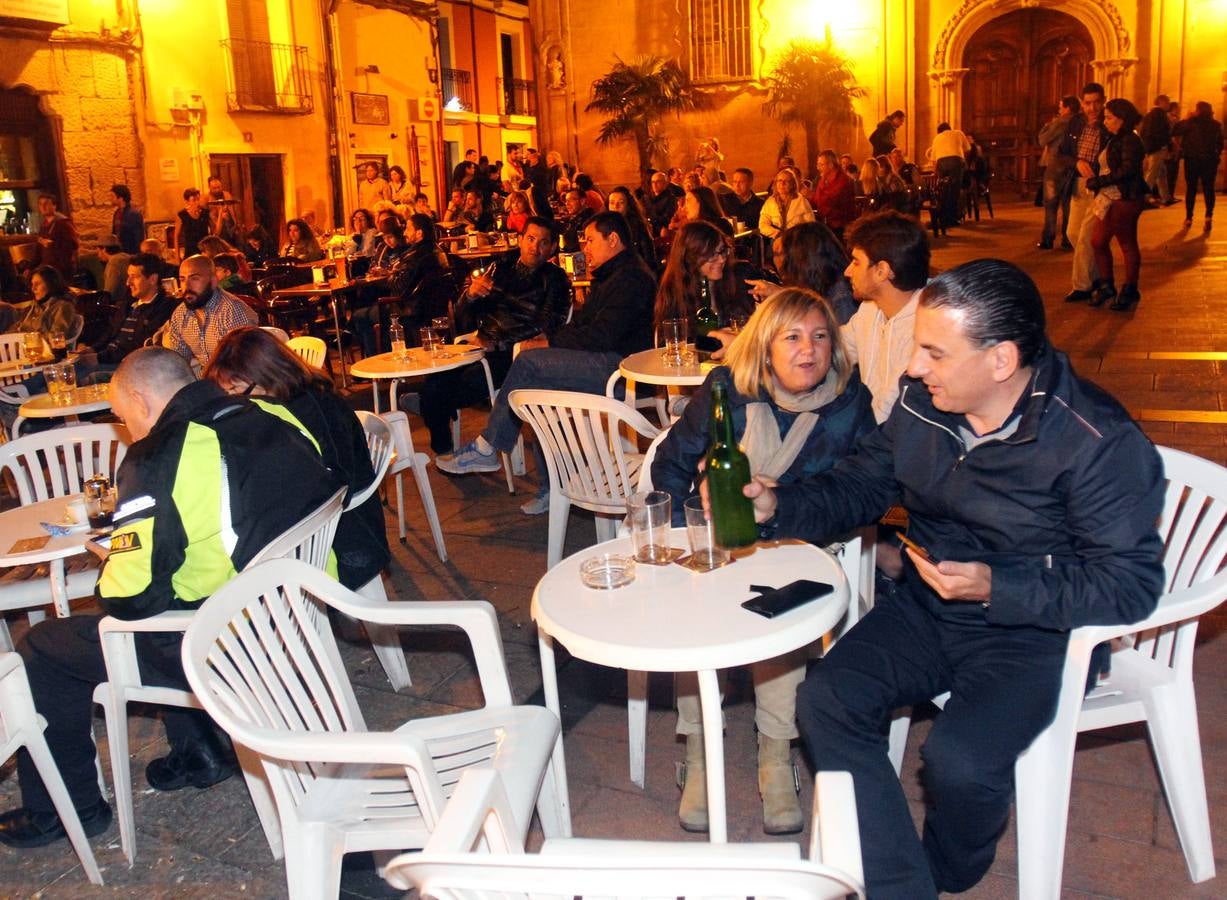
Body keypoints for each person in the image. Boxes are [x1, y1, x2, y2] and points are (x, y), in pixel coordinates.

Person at [740, 259, 1164, 899]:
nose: (912, 368)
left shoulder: (1095, 440)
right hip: (930, 604)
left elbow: (1130, 585)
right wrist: (782, 507)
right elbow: (871, 483)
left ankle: (947, 871)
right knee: (827, 701)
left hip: (1035, 631)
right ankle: (901, 886)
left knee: (959, 764)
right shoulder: (925, 404)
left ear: (1000, 361)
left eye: (934, 352)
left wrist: (998, 586)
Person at [0, 347, 341, 850]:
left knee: (44, 646)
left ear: (140, 398)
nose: (126, 429)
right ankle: (199, 750)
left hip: (226, 642)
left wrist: (113, 561)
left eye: (122, 417)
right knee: (178, 583)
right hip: (300, 607)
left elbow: (131, 597)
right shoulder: (274, 412)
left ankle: (64, 812)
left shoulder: (159, 455)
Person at [653, 288, 875, 835]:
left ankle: (776, 753)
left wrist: (782, 504)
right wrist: (686, 529)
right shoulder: (726, 390)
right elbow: (672, 461)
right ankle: (701, 747)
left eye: (821, 337)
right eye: (793, 337)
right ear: (765, 347)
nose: (809, 350)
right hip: (715, 538)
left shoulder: (849, 402)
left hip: (801, 541)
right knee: (695, 610)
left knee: (782, 608)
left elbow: (863, 488)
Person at [438, 211, 656, 478]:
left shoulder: (631, 278)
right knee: (539, 389)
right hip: (606, 358)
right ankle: (551, 484)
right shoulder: (612, 274)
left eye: (590, 240)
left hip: (620, 368)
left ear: (612, 239)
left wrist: (550, 342)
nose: (585, 247)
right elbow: (582, 325)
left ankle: (487, 448)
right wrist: (550, 343)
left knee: (530, 364)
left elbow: (601, 335)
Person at [203, 327, 390, 588]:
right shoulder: (279, 407)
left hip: (348, 542)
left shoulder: (318, 409)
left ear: (268, 376)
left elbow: (337, 489)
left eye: (237, 393)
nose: (233, 403)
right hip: (323, 534)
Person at [421, 216, 570, 457]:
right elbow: (462, 316)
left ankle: (427, 407)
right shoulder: (499, 267)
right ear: (520, 240)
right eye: (530, 239)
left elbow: (548, 324)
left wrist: (498, 343)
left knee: (441, 391)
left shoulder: (555, 280)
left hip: (512, 354)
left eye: (543, 242)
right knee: (435, 378)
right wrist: (470, 295)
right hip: (478, 345)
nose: (535, 247)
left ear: (552, 247)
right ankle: (443, 448)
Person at [841, 210, 930, 423]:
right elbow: (836, 349)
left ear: (882, 271)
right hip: (871, 435)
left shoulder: (925, 330)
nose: (847, 272)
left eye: (856, 262)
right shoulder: (870, 310)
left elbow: (886, 414)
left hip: (896, 446)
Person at [654, 221, 754, 353]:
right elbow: (672, 343)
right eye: (712, 254)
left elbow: (747, 325)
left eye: (723, 251)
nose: (721, 259)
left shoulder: (736, 280)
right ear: (690, 257)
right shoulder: (674, 293)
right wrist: (718, 339)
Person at [1087, 99, 1148, 311]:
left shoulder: (1130, 140)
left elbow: (1128, 170)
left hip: (1125, 197)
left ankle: (1130, 288)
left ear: (1121, 119)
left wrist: (1099, 181)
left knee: (1126, 242)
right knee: (1097, 241)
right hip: (1108, 196)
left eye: (1109, 117)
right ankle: (1107, 284)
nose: (1106, 121)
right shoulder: (1113, 138)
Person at [1060, 82, 1111, 304]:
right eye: (1088, 103)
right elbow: (1063, 153)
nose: (1092, 108)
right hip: (1077, 183)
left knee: (1085, 238)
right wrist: (1077, 162)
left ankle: (1082, 286)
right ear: (1082, 103)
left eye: (1096, 102)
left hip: (1099, 186)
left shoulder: (1108, 123)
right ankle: (1099, 277)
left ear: (1103, 100)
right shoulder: (1075, 122)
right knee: (1072, 233)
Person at [748, 222, 857, 324]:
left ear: (801, 259)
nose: (776, 260)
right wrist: (780, 294)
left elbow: (830, 338)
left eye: (779, 254)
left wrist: (784, 297)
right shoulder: (817, 283)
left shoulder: (842, 296)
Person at [163, 254, 258, 367]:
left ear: (213, 281)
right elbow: (178, 363)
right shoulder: (181, 313)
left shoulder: (231, 311)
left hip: (234, 380)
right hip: (204, 380)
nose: (186, 286)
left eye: (194, 278)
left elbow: (242, 367)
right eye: (182, 280)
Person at [92, 252, 178, 368]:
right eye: (128, 276)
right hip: (107, 359)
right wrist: (91, 349)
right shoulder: (129, 303)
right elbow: (111, 331)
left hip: (130, 366)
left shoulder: (164, 307)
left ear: (152, 279)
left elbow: (141, 346)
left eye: (135, 277)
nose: (128, 282)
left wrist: (99, 357)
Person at [1174, 101, 1224, 230]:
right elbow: (1220, 143)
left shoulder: (1190, 123)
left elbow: (1175, 131)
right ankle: (1208, 216)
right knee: (1209, 188)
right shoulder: (1216, 125)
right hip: (1210, 161)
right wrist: (1216, 154)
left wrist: (1186, 118)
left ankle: (1189, 217)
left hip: (1192, 160)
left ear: (1198, 110)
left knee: (1191, 189)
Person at [1037, 96, 1079, 249]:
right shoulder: (1081, 122)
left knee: (1051, 204)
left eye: (1061, 107)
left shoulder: (1061, 122)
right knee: (1068, 204)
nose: (1059, 110)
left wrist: (1047, 126)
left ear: (1068, 108)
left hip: (1056, 165)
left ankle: (1048, 239)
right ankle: (1067, 240)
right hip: (1073, 166)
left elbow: (1042, 140)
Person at [1, 265, 76, 339]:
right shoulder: (35, 306)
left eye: (37, 284)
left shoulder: (63, 307)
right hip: (26, 347)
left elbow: (56, 336)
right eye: (32, 284)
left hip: (45, 349)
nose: (33, 289)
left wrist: (28, 338)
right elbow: (17, 326)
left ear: (51, 284)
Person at [926, 123, 971, 228]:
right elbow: (967, 149)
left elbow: (933, 160)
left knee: (943, 190)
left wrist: (935, 172)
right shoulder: (958, 133)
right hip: (956, 161)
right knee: (954, 191)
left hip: (941, 162)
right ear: (950, 128)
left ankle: (942, 217)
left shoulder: (937, 138)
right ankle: (952, 218)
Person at [809, 150, 857, 239]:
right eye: (818, 164)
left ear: (831, 165)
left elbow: (829, 201)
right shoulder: (823, 179)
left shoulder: (843, 180)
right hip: (825, 224)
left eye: (821, 165)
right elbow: (815, 200)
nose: (818, 168)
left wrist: (810, 195)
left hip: (839, 227)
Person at [1139, 95, 1175, 206]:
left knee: (1161, 173)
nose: (1168, 105)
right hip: (1158, 147)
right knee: (1152, 173)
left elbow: (1144, 132)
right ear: (1161, 102)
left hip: (1151, 147)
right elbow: (1164, 132)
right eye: (1167, 102)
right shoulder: (1160, 114)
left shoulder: (1149, 114)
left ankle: (1166, 197)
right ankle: (1144, 197)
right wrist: (1167, 145)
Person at [758, 169, 814, 239]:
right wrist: (777, 234)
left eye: (786, 181)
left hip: (796, 239)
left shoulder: (801, 201)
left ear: (792, 184)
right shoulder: (770, 202)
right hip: (777, 239)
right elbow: (762, 225)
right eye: (780, 181)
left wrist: (796, 235)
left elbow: (811, 225)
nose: (782, 184)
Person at [34, 193, 78, 279]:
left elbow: (73, 244)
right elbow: (39, 249)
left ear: (54, 206)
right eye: (40, 204)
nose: (43, 207)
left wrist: (52, 245)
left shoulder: (63, 223)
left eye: (46, 203)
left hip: (61, 269)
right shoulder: (44, 225)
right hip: (48, 269)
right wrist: (30, 266)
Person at [95, 234, 133, 303]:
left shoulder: (113, 263)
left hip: (120, 305)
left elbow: (109, 291)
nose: (98, 256)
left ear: (104, 248)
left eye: (98, 251)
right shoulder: (128, 257)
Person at [175, 188, 211, 261]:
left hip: (205, 249)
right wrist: (177, 255)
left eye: (198, 199)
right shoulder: (182, 215)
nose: (197, 202)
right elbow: (176, 236)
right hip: (190, 249)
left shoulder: (205, 212)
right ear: (187, 202)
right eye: (194, 200)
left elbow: (215, 231)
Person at [205, 175, 240, 245]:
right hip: (218, 233)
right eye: (214, 188)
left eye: (219, 187)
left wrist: (237, 225)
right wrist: (220, 215)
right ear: (209, 187)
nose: (217, 190)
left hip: (232, 231)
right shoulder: (206, 199)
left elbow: (234, 211)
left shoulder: (227, 194)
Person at [110, 184, 144, 254]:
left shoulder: (134, 214)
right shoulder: (117, 213)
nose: (110, 199)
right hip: (120, 252)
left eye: (112, 196)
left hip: (130, 252)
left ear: (120, 198)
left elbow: (138, 237)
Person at [644, 170, 680, 237]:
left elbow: (667, 219)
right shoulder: (646, 198)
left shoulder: (671, 199)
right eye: (653, 182)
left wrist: (650, 219)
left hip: (661, 233)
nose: (654, 184)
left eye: (658, 182)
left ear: (665, 183)